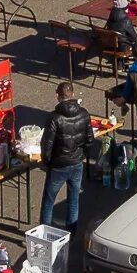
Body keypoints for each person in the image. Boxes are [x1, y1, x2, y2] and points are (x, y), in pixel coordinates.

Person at [39, 82, 92, 228]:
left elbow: (47, 144)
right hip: (76, 163)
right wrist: (82, 155)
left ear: (58, 95)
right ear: (73, 94)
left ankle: (44, 234)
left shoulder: (54, 117)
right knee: (73, 200)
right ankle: (72, 234)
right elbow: (89, 139)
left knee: (49, 201)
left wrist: (47, 161)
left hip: (58, 164)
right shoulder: (84, 113)